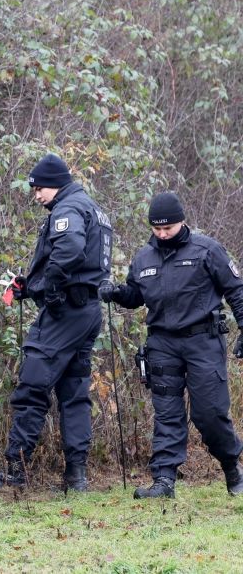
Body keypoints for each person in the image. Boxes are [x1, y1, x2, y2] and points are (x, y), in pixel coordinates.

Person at [0, 154, 113, 492]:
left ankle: (15, 472)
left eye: (39, 189)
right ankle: (76, 477)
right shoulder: (90, 207)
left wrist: (50, 289)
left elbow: (68, 250)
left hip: (64, 313)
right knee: (74, 392)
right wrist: (31, 286)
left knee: (32, 386)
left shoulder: (68, 209)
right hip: (86, 310)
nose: (36, 195)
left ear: (56, 183)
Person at [100, 192, 243, 498]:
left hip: (203, 340)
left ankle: (232, 468)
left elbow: (236, 290)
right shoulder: (143, 258)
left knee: (210, 414)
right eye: (157, 229)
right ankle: (164, 481)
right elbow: (136, 296)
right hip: (162, 342)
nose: (163, 234)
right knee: (166, 412)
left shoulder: (207, 250)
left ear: (182, 222)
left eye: (168, 228)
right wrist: (116, 293)